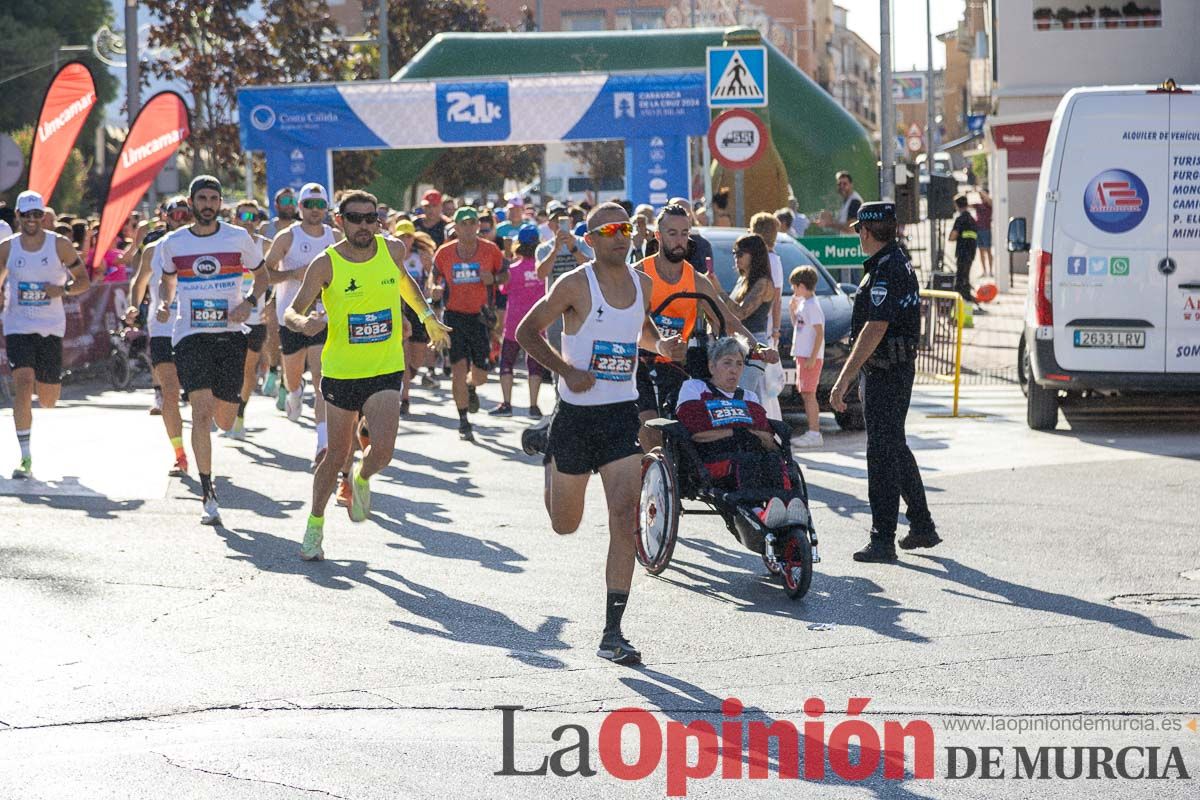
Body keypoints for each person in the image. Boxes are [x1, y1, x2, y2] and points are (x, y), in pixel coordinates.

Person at [516, 202, 686, 665]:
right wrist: (565, 370)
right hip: (575, 418)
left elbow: (640, 330)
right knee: (564, 525)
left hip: (619, 415)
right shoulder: (574, 284)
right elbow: (526, 332)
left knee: (624, 515)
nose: (621, 236)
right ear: (590, 239)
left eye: (626, 228)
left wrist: (662, 345)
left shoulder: (643, 283)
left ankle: (613, 632)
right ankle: (548, 450)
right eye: (609, 230)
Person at [284, 190, 450, 561]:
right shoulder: (325, 264)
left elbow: (405, 282)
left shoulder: (392, 250)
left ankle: (360, 478)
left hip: (385, 367)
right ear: (339, 221)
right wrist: (304, 322)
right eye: (355, 218)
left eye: (370, 218)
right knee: (336, 453)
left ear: (378, 219)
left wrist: (427, 317)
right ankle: (315, 523)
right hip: (342, 372)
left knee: (384, 451)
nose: (364, 225)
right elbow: (292, 312)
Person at [155, 175, 268, 525]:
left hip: (231, 334)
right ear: (191, 203)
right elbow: (166, 279)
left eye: (213, 199)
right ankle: (208, 492)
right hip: (190, 335)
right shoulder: (173, 242)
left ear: (220, 203)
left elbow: (263, 276)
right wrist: (163, 301)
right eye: (201, 198)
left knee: (224, 417)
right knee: (201, 412)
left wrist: (249, 302)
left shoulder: (238, 238)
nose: (207, 204)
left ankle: (211, 473)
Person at [829, 202, 940, 562]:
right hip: (891, 370)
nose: (858, 235)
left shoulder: (885, 269)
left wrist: (843, 378)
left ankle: (883, 539)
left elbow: (874, 328)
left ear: (865, 231)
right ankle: (921, 524)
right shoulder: (895, 261)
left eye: (859, 230)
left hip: (886, 373)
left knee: (881, 455)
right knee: (894, 447)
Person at [635, 204, 776, 452]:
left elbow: (729, 320)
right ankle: (652, 474)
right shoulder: (639, 274)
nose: (680, 240)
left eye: (684, 233)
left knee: (694, 420)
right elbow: (632, 323)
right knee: (649, 426)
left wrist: (759, 346)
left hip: (679, 362)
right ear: (658, 236)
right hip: (642, 360)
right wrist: (659, 345)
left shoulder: (696, 280)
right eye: (672, 233)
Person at [0, 190, 91, 479]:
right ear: (17, 216)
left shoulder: (60, 245)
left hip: (51, 327)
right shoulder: (7, 248)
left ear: (44, 217)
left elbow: (84, 282)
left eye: (36, 215)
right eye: (26, 215)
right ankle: (25, 456)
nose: (31, 220)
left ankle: (45, 391)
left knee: (49, 398)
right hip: (18, 325)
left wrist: (61, 290)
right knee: (24, 383)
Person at [675, 335, 808, 527]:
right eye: (727, 363)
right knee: (746, 461)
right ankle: (757, 512)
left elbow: (766, 437)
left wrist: (749, 435)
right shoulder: (694, 388)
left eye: (739, 364)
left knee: (773, 460)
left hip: (749, 451)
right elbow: (695, 433)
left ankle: (788, 507)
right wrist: (738, 433)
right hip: (711, 458)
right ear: (712, 367)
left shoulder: (748, 396)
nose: (734, 370)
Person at [264, 182, 336, 467]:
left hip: (323, 318)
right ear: (300, 207)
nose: (315, 211)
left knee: (321, 378)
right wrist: (294, 274)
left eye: (320, 205)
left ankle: (322, 442)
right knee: (293, 377)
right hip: (290, 318)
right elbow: (265, 274)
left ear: (327, 208)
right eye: (310, 205)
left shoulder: (335, 237)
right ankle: (294, 393)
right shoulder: (286, 237)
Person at [125, 196, 192, 474]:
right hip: (162, 327)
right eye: (174, 214)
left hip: (195, 328)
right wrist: (133, 305)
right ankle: (179, 454)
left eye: (184, 213)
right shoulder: (153, 249)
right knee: (169, 392)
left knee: (203, 397)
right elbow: (138, 282)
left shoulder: (200, 245)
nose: (179, 218)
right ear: (165, 217)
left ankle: (201, 438)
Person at [431, 206, 506, 441]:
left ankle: (471, 386)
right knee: (457, 371)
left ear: (477, 226)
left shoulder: (491, 250)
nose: (467, 227)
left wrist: (493, 279)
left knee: (481, 375)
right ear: (455, 226)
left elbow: (506, 276)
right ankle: (463, 421)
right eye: (462, 223)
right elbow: (435, 276)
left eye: (471, 223)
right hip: (454, 317)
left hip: (481, 318)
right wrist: (434, 288)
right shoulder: (444, 253)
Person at [224, 199, 271, 440]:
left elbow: (276, 277)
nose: (249, 222)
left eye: (254, 217)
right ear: (234, 217)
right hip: (225, 318)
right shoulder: (222, 243)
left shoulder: (266, 245)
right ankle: (226, 409)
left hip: (254, 318)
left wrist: (270, 303)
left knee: (246, 369)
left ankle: (239, 416)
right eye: (244, 216)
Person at [492, 223, 550, 417]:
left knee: (506, 363)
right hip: (538, 323)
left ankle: (506, 404)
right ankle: (533, 406)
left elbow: (504, 290)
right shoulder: (543, 270)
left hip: (514, 323)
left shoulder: (512, 270)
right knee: (534, 365)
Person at [725, 234, 775, 402]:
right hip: (739, 342)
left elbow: (740, 313)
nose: (735, 258)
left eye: (740, 254)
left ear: (754, 255)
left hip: (755, 344)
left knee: (744, 397)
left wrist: (716, 291)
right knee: (748, 397)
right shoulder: (743, 280)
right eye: (734, 253)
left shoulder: (763, 283)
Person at [394, 219, 437, 415]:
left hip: (417, 307)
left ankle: (407, 378)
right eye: (401, 236)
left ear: (413, 238)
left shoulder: (421, 257)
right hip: (398, 307)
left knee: (417, 357)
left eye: (408, 236)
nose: (405, 239)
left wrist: (433, 288)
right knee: (403, 355)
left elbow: (432, 276)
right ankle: (405, 399)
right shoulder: (392, 256)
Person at [789, 266, 825, 448]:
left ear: (802, 286)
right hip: (802, 354)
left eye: (795, 287)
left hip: (810, 356)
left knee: (809, 394)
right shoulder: (804, 303)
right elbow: (799, 325)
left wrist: (812, 356)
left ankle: (814, 432)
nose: (793, 291)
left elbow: (819, 333)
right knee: (805, 392)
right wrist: (792, 310)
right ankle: (812, 431)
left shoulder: (813, 306)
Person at [949, 194, 978, 305]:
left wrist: (950, 237)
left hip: (962, 252)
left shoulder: (960, 219)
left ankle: (962, 303)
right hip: (971, 252)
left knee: (960, 279)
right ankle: (967, 300)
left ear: (957, 205)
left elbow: (953, 236)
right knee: (965, 277)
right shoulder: (972, 219)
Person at [972, 188, 994, 278]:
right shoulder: (978, 205)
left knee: (988, 250)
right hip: (978, 229)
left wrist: (982, 192)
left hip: (986, 229)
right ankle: (984, 271)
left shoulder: (989, 204)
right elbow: (968, 203)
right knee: (981, 251)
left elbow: (989, 200)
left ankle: (991, 271)